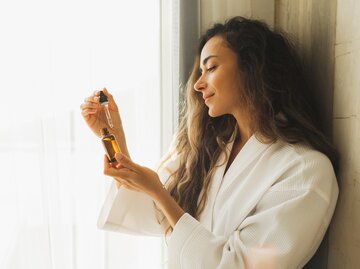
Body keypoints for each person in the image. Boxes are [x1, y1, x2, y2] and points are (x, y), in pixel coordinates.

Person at [80, 16, 338, 269]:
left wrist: (159, 192)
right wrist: (112, 135)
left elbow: (241, 265)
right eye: (200, 72)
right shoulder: (213, 149)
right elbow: (154, 213)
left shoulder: (306, 171)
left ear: (251, 67)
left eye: (211, 68)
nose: (198, 84)